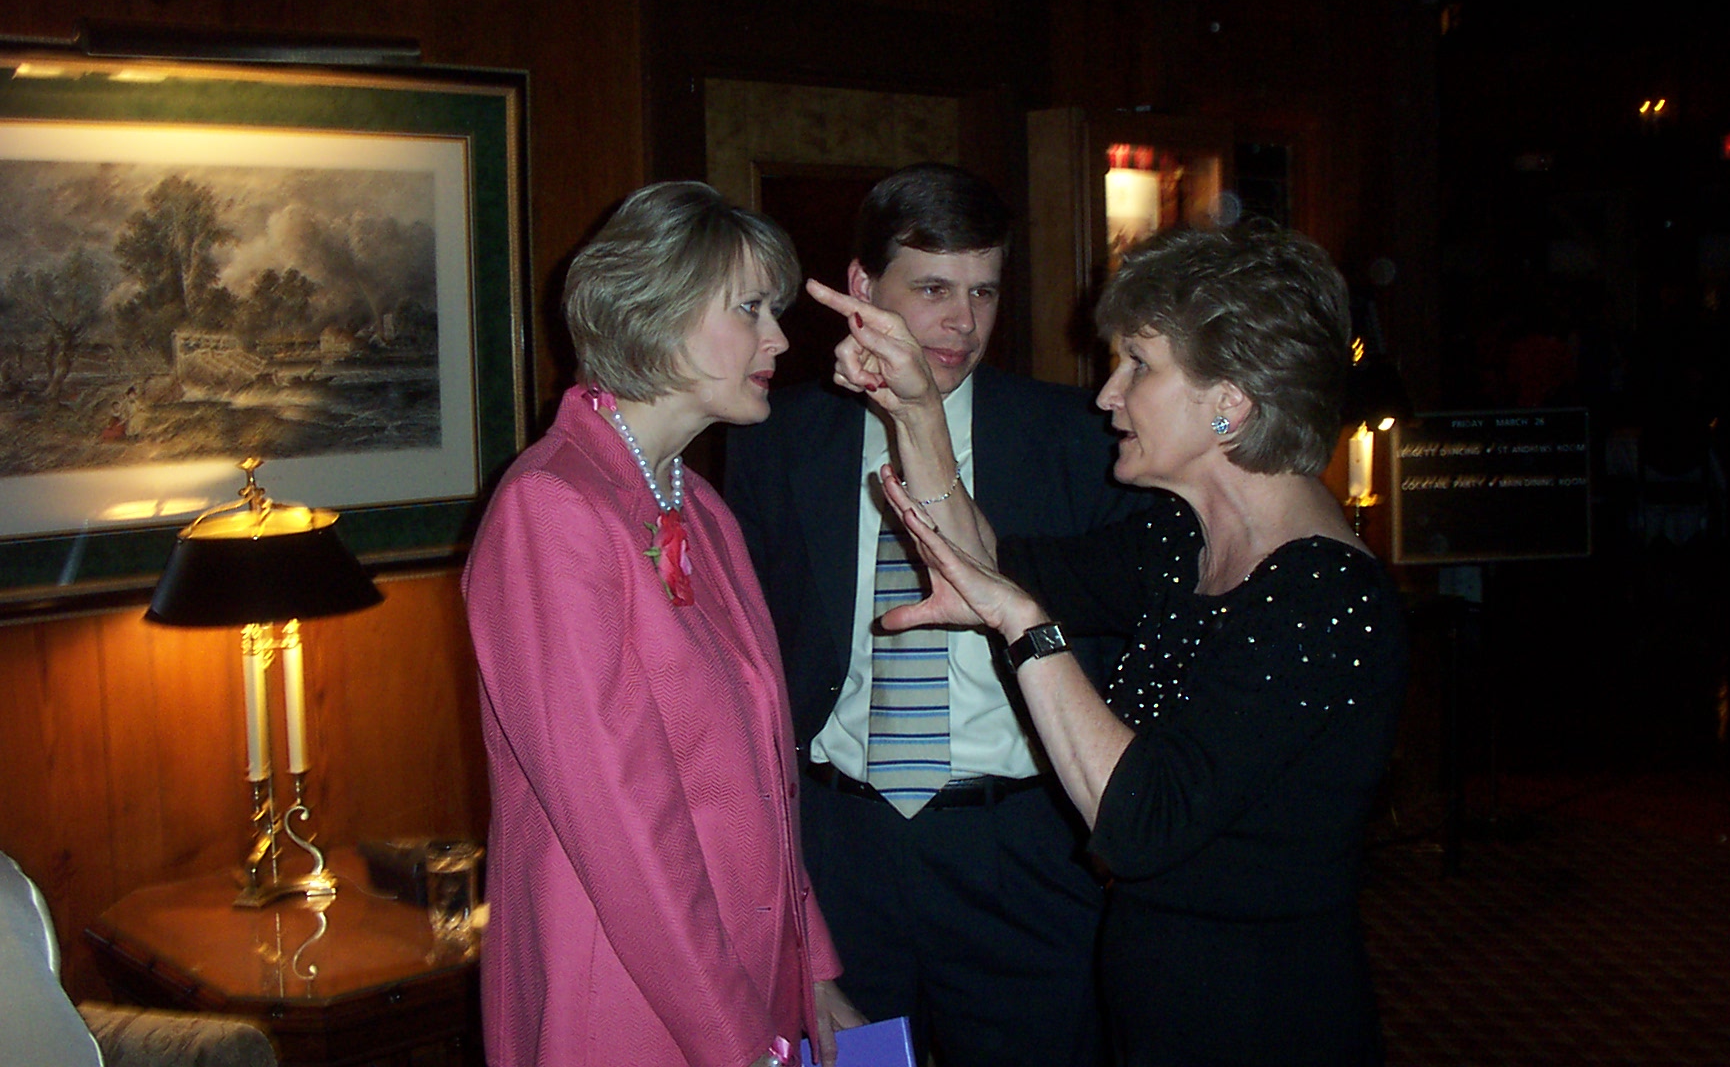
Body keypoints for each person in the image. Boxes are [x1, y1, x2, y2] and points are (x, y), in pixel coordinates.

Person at [815, 220, 1409, 1066]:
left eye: (1139, 365)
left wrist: (1028, 629)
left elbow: (1138, 820)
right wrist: (915, 408)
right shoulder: (1184, 540)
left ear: (1231, 401)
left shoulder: (1323, 595)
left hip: (1258, 1014)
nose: (1107, 395)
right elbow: (987, 567)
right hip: (1158, 990)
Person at [725, 163, 1142, 1066]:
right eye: (934, 290)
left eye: (983, 291)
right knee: (862, 1058)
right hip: (843, 848)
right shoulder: (778, 437)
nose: (963, 322)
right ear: (863, 286)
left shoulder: (1076, 437)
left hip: (1018, 848)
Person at [463, 182, 861, 1067]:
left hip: (742, 975)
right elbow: (622, 824)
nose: (779, 339)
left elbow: (765, 782)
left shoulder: (700, 507)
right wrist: (737, 1040)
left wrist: (812, 970)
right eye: (750, 309)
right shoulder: (551, 509)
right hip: (628, 993)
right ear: (657, 313)